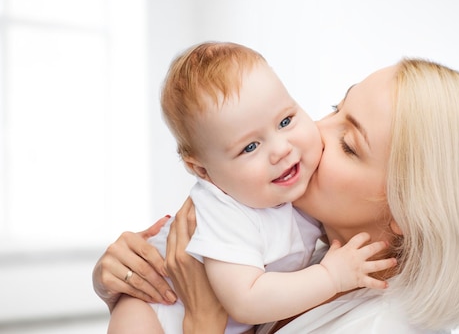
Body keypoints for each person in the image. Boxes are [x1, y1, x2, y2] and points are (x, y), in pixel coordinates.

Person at [94, 57, 459, 333]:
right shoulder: (307, 250)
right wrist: (131, 279)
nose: (314, 133)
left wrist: (203, 322)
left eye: (349, 145)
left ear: (407, 210)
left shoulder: (377, 326)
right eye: (336, 108)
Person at [107, 42, 394, 333]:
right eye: (250, 147)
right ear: (203, 171)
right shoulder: (224, 211)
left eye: (285, 121)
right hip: (156, 309)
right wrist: (330, 276)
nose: (281, 150)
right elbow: (247, 300)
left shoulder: (295, 194)